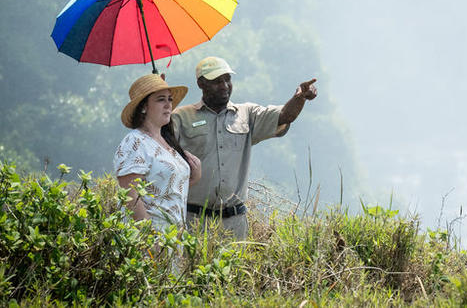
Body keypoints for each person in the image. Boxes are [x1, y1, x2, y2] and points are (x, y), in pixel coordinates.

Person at [171, 56, 317, 239]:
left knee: (235, 268)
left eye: (227, 79)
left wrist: (299, 98)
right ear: (201, 84)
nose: (224, 85)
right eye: (217, 81)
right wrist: (157, 96)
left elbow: (284, 116)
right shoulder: (181, 117)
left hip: (235, 223)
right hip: (193, 220)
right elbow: (160, 150)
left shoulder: (247, 114)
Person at [114, 73, 202, 230]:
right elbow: (130, 195)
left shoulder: (167, 143)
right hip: (148, 243)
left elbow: (168, 190)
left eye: (170, 99)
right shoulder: (135, 142)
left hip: (173, 240)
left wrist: (195, 176)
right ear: (143, 107)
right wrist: (151, 240)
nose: (168, 105)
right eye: (161, 99)